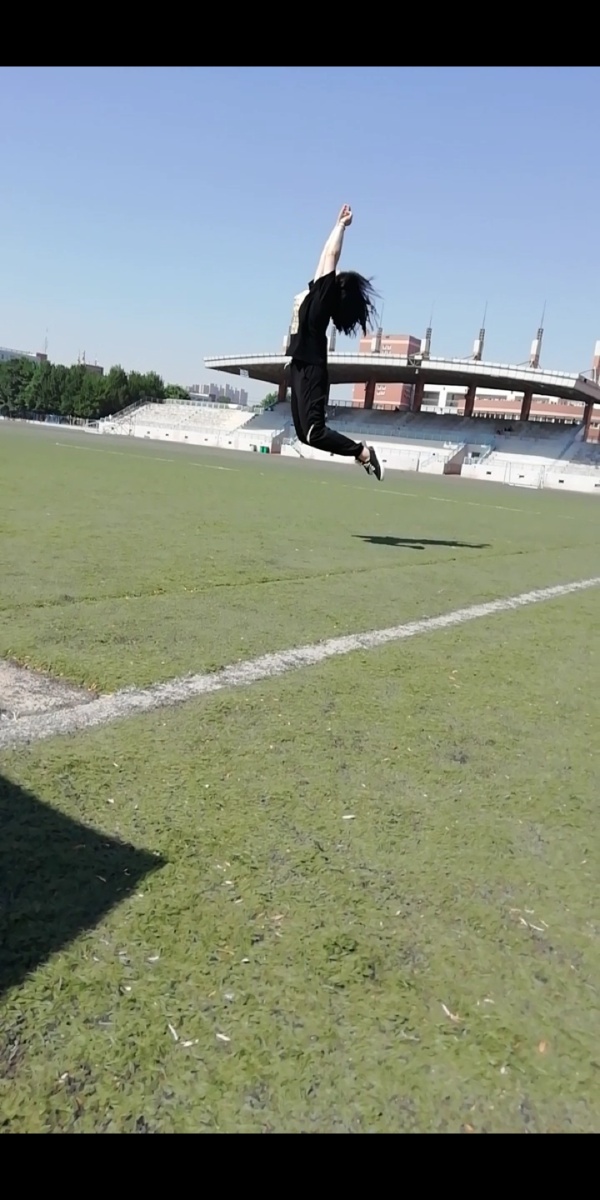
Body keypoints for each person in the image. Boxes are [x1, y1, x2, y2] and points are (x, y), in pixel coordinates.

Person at [285, 205, 385, 482]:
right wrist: (335, 224)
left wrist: (342, 226)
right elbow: (324, 255)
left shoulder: (324, 298)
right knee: (304, 435)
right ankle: (361, 453)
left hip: (312, 368)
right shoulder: (317, 292)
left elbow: (331, 255)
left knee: (313, 432)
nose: (334, 271)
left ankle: (363, 453)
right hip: (299, 365)